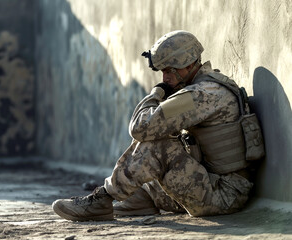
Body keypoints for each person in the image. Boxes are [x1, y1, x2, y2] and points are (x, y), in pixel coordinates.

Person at [52, 30, 263, 221]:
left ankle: (103, 200)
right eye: (162, 73)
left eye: (170, 71)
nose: (166, 78)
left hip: (223, 196)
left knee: (158, 144)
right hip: (219, 185)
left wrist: (157, 93)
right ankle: (140, 201)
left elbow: (141, 127)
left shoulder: (200, 94)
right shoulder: (209, 85)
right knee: (147, 182)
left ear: (189, 65)